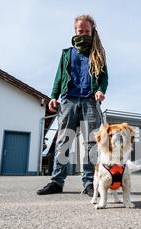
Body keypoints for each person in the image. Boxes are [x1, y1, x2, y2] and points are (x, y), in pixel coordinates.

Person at [37, 15, 108, 197]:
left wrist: (100, 90)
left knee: (91, 144)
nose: (83, 34)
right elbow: (59, 76)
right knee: (63, 142)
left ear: (92, 32)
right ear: (75, 31)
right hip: (69, 101)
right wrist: (53, 96)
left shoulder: (98, 53)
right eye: (80, 31)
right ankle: (56, 182)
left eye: (86, 31)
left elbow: (104, 78)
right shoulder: (67, 53)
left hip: (90, 102)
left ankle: (89, 184)